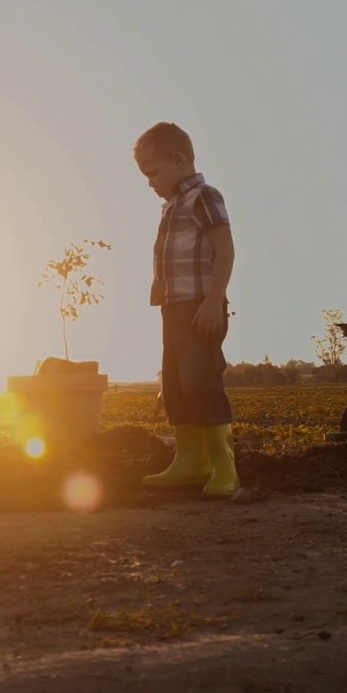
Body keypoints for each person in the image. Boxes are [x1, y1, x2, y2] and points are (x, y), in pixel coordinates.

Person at [133, 122, 240, 498]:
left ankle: (223, 466)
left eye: (152, 172)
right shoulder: (171, 206)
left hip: (200, 306)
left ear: (178, 161)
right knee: (176, 385)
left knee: (201, 382)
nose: (149, 182)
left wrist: (214, 301)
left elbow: (224, 250)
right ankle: (190, 462)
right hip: (173, 308)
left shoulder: (204, 197)